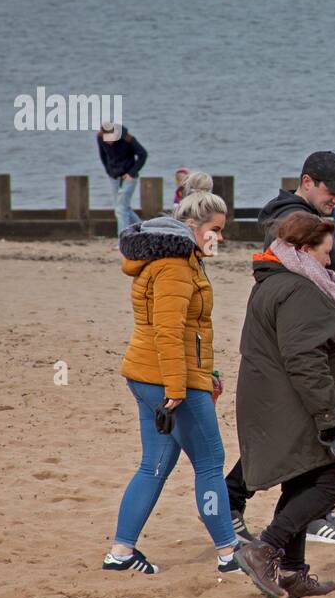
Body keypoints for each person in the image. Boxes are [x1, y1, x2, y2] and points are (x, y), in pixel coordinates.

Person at [225, 151, 335, 546]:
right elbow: (294, 289)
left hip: (311, 342)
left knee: (291, 440)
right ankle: (240, 504)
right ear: (307, 181)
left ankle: (288, 535)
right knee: (293, 440)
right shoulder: (287, 223)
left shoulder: (309, 220)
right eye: (330, 190)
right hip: (297, 350)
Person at [102, 191, 239, 575]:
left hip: (150, 376)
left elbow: (190, 332)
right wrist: (178, 389)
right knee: (211, 463)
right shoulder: (177, 266)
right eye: (215, 230)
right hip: (166, 380)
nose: (220, 238)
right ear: (192, 227)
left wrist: (206, 373)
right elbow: (168, 330)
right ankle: (230, 554)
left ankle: (121, 552)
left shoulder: (176, 260)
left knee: (155, 465)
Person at [97, 121, 148, 235]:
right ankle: (144, 230)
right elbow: (103, 156)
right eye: (107, 139)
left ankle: (122, 239)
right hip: (114, 176)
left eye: (111, 139)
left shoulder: (127, 139)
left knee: (121, 210)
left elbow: (143, 154)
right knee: (122, 208)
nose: (109, 142)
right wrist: (109, 171)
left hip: (129, 176)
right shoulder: (100, 137)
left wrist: (132, 172)